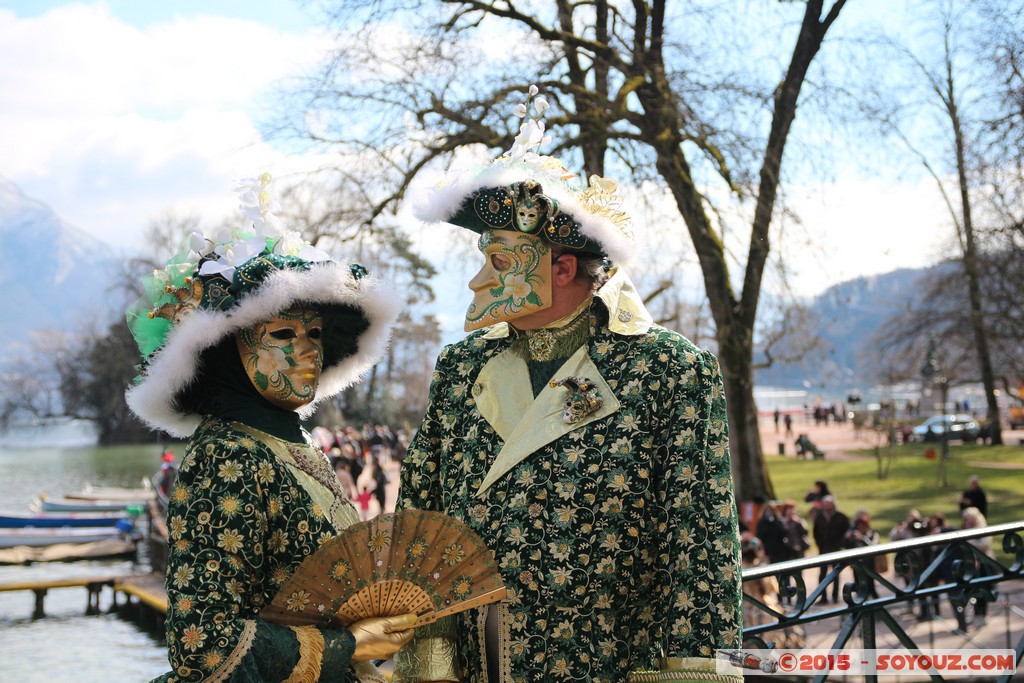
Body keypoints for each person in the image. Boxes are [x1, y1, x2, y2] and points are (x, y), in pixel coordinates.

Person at [393, 99, 742, 683]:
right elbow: (422, 529)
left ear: (560, 267)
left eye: (499, 259)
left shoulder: (668, 372)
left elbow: (700, 552)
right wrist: (429, 665)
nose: (479, 279)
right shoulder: (460, 370)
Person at [125, 174, 411, 683]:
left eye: (316, 333)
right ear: (228, 354)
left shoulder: (289, 444)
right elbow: (204, 647)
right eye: (282, 333)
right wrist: (350, 645)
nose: (308, 350)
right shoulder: (226, 456)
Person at [812, 495, 850, 604]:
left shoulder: (841, 517)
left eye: (830, 504)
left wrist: (840, 545)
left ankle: (835, 596)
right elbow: (815, 533)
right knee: (822, 574)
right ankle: (823, 597)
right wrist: (820, 545)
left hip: (836, 550)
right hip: (823, 549)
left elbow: (846, 533)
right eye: (826, 504)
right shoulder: (819, 517)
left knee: (836, 574)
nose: (828, 506)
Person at [842, 509, 880, 599]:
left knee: (871, 586)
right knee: (859, 585)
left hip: (869, 564)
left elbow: (873, 545)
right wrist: (846, 537)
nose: (860, 527)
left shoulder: (872, 533)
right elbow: (845, 546)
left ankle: (876, 605)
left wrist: (862, 538)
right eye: (859, 525)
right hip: (857, 563)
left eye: (862, 525)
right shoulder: (853, 534)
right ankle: (861, 604)